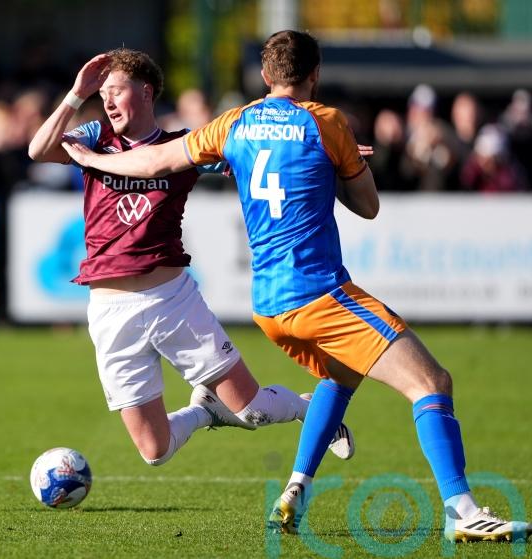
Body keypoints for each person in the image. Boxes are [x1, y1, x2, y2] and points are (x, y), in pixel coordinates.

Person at [62, 32, 532, 543]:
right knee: (432, 383)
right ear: (315, 74)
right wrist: (344, 161)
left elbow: (154, 162)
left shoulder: (233, 123)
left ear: (265, 77)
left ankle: (296, 489)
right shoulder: (327, 122)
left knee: (341, 374)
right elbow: (369, 206)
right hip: (319, 293)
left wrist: (93, 161)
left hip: (268, 306)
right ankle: (462, 511)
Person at [28, 48, 353, 470]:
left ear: (146, 93)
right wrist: (76, 93)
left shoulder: (182, 149)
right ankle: (205, 412)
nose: (106, 102)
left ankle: (309, 409)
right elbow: (38, 150)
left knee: (251, 411)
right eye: (102, 93)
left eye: (116, 91)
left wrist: (335, 154)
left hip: (171, 301)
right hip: (109, 311)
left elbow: (257, 154)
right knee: (154, 451)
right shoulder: (94, 138)